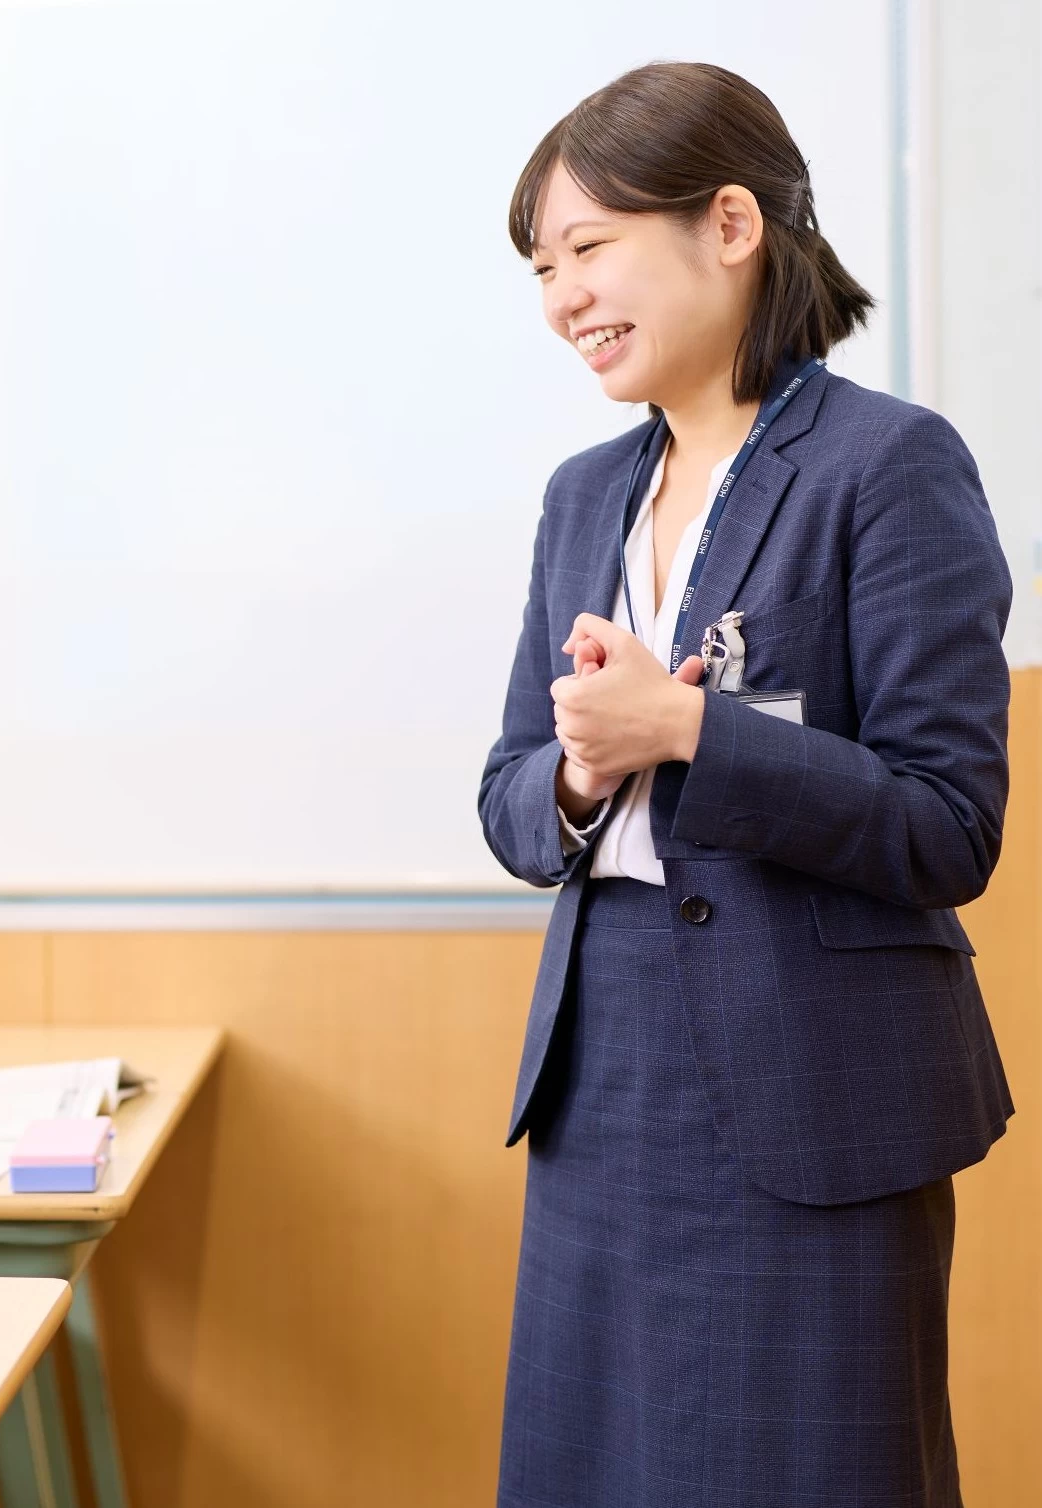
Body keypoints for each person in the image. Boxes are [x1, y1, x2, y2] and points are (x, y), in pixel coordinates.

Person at [479, 61, 1013, 1506]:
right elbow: (509, 793)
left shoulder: (885, 467)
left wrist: (694, 736)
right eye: (540, 267)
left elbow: (947, 821)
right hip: (607, 1076)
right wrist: (586, 776)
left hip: (814, 1090)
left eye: (586, 247)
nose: (560, 297)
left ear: (728, 224)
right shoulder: (582, 495)